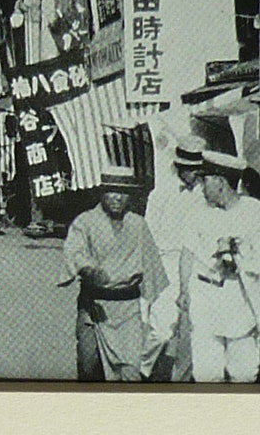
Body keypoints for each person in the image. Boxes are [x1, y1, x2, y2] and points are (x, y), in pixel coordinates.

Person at [63, 167, 168, 381]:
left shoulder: (138, 225)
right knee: (89, 365)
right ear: (102, 193)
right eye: (112, 191)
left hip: (128, 309)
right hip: (95, 305)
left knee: (130, 369)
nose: (117, 198)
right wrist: (89, 270)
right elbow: (75, 251)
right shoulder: (86, 222)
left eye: (123, 192)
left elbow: (152, 268)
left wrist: (154, 309)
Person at [178, 151, 260, 382]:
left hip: (241, 298)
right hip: (205, 296)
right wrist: (184, 290)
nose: (201, 187)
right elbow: (187, 253)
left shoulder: (254, 211)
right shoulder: (196, 213)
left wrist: (241, 261)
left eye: (205, 180)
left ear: (221, 182)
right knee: (206, 373)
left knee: (244, 373)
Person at [141, 135, 207, 381]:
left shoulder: (206, 194)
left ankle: (180, 382)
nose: (194, 174)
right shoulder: (161, 194)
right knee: (161, 328)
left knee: (193, 329)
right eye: (189, 169)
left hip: (197, 265)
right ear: (179, 166)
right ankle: (141, 369)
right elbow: (148, 234)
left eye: (197, 169)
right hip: (167, 262)